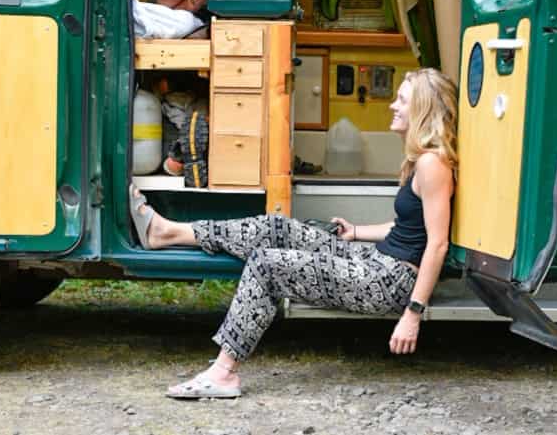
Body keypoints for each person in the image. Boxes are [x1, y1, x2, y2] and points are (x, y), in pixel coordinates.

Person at [128, 68, 458, 399]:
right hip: (377, 259)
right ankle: (167, 233)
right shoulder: (420, 160)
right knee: (277, 227)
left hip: (389, 279)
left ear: (422, 109)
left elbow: (437, 243)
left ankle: (223, 374)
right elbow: (408, 227)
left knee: (267, 265)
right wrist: (357, 231)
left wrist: (412, 314)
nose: (393, 106)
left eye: (402, 100)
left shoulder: (433, 164)